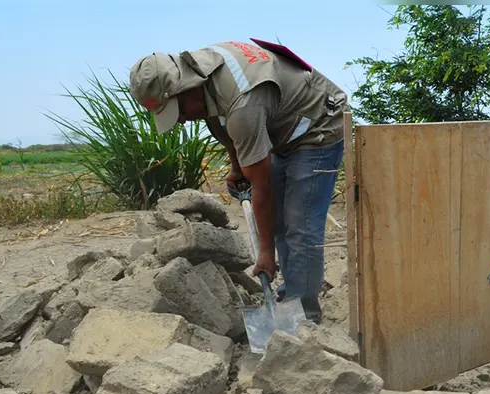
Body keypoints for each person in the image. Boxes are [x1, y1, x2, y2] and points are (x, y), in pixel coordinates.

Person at [129, 40, 348, 323]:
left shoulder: (243, 101)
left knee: (300, 227)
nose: (181, 120)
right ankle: (290, 297)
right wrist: (236, 166)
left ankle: (304, 319)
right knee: (279, 222)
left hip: (317, 124)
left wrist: (265, 254)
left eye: (179, 111)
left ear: (186, 88)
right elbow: (222, 121)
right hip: (280, 125)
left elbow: (262, 188)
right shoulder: (202, 71)